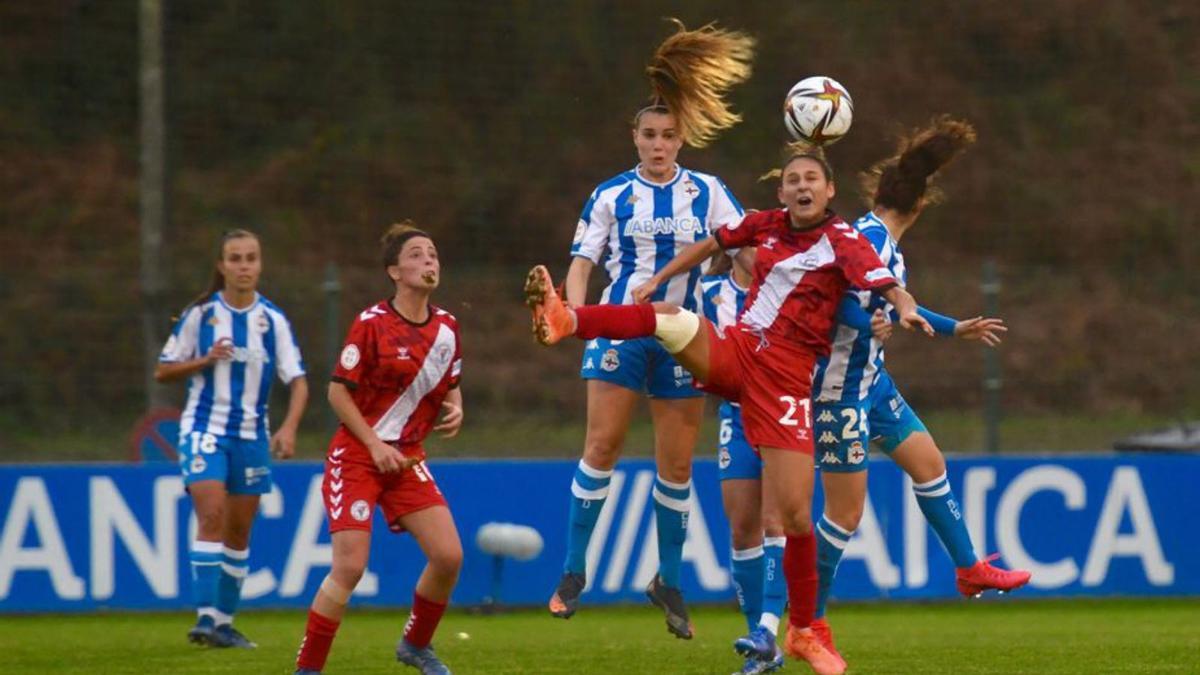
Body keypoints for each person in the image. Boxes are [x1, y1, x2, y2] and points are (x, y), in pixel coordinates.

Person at [525, 146, 935, 675]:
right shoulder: (764, 225)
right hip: (740, 353)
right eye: (792, 179)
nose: (802, 186)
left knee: (792, 518)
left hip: (787, 383)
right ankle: (566, 320)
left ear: (830, 191)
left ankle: (806, 630)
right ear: (782, 191)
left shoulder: (845, 242)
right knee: (667, 315)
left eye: (812, 178)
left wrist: (906, 310)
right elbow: (711, 243)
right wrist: (657, 278)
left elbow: (886, 284)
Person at [548, 19, 754, 640]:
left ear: (681, 139)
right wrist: (574, 319)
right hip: (621, 331)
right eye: (648, 135)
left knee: (677, 466)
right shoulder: (612, 195)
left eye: (667, 135)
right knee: (602, 447)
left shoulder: (710, 192)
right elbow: (583, 262)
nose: (658, 144)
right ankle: (573, 572)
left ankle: (669, 579)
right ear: (634, 139)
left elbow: (744, 252)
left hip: (685, 338)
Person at [808, 117, 1031, 659]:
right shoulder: (869, 242)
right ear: (920, 205)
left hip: (872, 383)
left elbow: (888, 299)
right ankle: (804, 617)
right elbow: (830, 302)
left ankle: (970, 568)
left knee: (930, 465)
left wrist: (956, 327)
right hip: (836, 392)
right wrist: (871, 326)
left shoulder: (874, 238)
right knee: (844, 517)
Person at [294, 223, 465, 675]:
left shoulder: (447, 328)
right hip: (356, 455)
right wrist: (374, 445)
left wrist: (456, 404)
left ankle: (415, 645)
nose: (429, 261)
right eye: (416, 255)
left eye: (432, 253)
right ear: (394, 271)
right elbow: (336, 392)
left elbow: (449, 381)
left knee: (449, 556)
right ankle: (308, 669)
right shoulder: (372, 324)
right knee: (349, 568)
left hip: (406, 458)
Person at [156, 229, 309, 649]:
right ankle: (205, 617)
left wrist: (289, 427)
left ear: (260, 265)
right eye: (235, 258)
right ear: (222, 266)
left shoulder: (272, 320)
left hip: (251, 437)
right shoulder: (200, 315)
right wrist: (204, 360)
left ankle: (223, 623)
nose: (243, 266)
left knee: (239, 531)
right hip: (204, 429)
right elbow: (163, 369)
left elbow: (298, 381)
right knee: (212, 514)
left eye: (251, 258)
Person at [700, 251, 786, 675]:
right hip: (735, 415)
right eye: (754, 244)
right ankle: (759, 643)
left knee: (777, 524)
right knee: (741, 530)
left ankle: (773, 633)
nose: (762, 252)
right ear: (734, 250)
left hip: (780, 412)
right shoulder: (708, 291)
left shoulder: (784, 288)